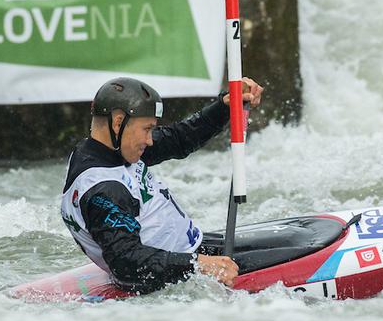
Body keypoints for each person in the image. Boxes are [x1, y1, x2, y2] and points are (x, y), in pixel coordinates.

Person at [61, 76, 263, 293]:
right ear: (118, 122)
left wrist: (225, 106)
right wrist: (199, 264)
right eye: (147, 129)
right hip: (175, 273)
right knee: (301, 247)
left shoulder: (108, 148)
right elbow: (126, 263)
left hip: (191, 249)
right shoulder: (104, 190)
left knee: (298, 233)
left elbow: (179, 138)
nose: (149, 140)